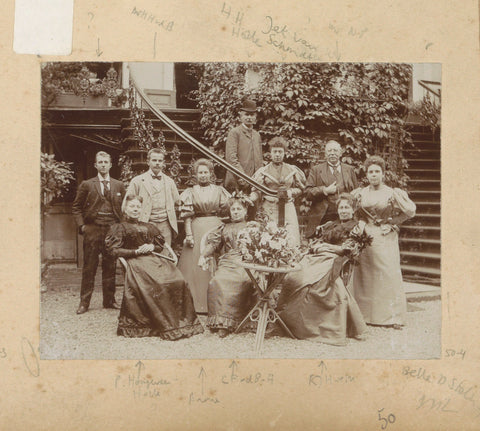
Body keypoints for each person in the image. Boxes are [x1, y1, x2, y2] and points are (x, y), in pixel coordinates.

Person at [105, 194, 204, 339]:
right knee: (158, 283)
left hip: (153, 260)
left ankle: (180, 321)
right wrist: (136, 251)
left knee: (177, 280)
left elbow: (159, 246)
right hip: (135, 261)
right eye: (132, 206)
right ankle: (159, 322)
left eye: (138, 207)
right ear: (125, 208)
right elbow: (113, 250)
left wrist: (151, 245)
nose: (135, 209)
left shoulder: (149, 226)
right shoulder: (118, 227)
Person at [276, 193, 368, 346]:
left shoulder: (357, 227)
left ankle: (307, 327)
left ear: (353, 210)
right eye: (341, 207)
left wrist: (326, 247)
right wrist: (318, 246)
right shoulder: (331, 224)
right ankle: (288, 321)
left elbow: (350, 249)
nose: (344, 210)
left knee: (313, 282)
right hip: (318, 256)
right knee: (294, 275)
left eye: (347, 207)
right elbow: (318, 241)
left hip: (336, 258)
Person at [351, 155, 416, 329]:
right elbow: (357, 214)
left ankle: (391, 317)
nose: (374, 175)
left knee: (387, 273)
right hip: (366, 236)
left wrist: (392, 223)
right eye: (370, 172)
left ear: (383, 173)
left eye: (377, 171)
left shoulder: (391, 193)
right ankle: (365, 315)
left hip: (385, 236)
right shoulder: (361, 193)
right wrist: (361, 224)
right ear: (366, 174)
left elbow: (409, 212)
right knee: (365, 273)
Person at [72, 151, 126, 314]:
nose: (103, 164)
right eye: (100, 162)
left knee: (110, 266)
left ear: (110, 165)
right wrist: (83, 227)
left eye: (106, 162)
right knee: (89, 267)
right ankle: (84, 303)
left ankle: (109, 300)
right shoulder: (87, 184)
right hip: (93, 229)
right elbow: (76, 207)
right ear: (95, 165)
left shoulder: (119, 185)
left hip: (112, 229)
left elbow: (124, 208)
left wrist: (120, 228)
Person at [177, 159, 231, 313]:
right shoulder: (190, 192)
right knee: (196, 264)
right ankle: (197, 302)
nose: (203, 175)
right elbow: (187, 216)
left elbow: (229, 209)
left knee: (215, 261)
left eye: (205, 172)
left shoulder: (219, 190)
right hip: (197, 227)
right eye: (200, 172)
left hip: (215, 226)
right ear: (195, 174)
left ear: (211, 174)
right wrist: (188, 234)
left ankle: (217, 301)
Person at [198, 195, 255, 338]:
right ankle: (220, 322)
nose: (236, 212)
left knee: (243, 280)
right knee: (217, 280)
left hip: (247, 260)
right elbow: (213, 245)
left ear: (245, 211)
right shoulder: (224, 228)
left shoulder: (252, 226)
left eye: (239, 209)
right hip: (228, 261)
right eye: (233, 209)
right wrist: (203, 255)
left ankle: (237, 321)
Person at [250, 137, 306, 247]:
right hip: (269, 208)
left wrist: (290, 192)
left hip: (287, 207)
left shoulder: (292, 170)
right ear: (270, 153)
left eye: (280, 152)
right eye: (274, 151)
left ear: (285, 153)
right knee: (269, 238)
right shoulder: (263, 171)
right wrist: (250, 198)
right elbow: (257, 191)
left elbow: (301, 189)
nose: (277, 154)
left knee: (290, 238)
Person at [124, 148, 179, 245]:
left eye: (160, 160)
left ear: (163, 163)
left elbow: (177, 202)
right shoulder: (138, 181)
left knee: (166, 254)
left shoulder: (170, 182)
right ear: (148, 162)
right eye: (154, 160)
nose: (157, 163)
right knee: (147, 254)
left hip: (165, 224)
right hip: (146, 223)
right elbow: (127, 204)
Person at [304, 140, 358, 238]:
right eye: (329, 151)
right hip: (323, 217)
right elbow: (307, 193)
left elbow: (356, 192)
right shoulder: (316, 170)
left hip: (345, 217)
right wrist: (324, 190)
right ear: (325, 153)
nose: (332, 153)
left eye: (335, 150)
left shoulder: (349, 170)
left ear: (340, 153)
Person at [224, 99, 264, 193]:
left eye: (252, 115)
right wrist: (242, 177)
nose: (249, 117)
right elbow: (231, 158)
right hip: (237, 182)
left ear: (255, 117)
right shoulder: (235, 133)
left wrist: (259, 178)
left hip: (255, 183)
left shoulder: (257, 135)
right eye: (246, 114)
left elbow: (259, 160)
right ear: (241, 116)